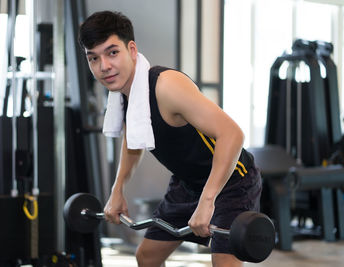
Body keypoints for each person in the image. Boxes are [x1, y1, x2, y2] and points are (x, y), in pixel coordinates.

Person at [79, 10, 262, 267]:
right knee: (147, 257)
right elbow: (134, 141)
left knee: (224, 263)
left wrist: (208, 201)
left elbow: (232, 134)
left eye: (112, 52)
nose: (104, 66)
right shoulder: (123, 94)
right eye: (93, 58)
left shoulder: (166, 86)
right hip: (187, 185)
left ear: (131, 50)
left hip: (231, 182)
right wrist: (117, 190)